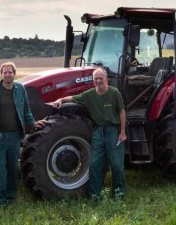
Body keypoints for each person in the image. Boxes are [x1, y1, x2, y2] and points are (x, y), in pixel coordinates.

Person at [52, 67, 127, 199]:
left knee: (116, 164)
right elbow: (73, 98)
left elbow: (121, 112)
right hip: (98, 131)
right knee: (94, 164)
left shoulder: (114, 93)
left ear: (106, 79)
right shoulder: (89, 94)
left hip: (113, 131)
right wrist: (61, 100)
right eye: (95, 79)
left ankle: (118, 194)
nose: (98, 81)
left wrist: (122, 132)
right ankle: (94, 195)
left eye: (100, 78)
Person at [0, 62, 36, 206]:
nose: (7, 75)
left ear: (14, 74)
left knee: (13, 167)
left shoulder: (20, 89)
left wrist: (34, 124)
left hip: (15, 136)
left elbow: (26, 110)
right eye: (5, 72)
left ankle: (11, 196)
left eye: (10, 72)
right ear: (1, 74)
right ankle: (0, 199)